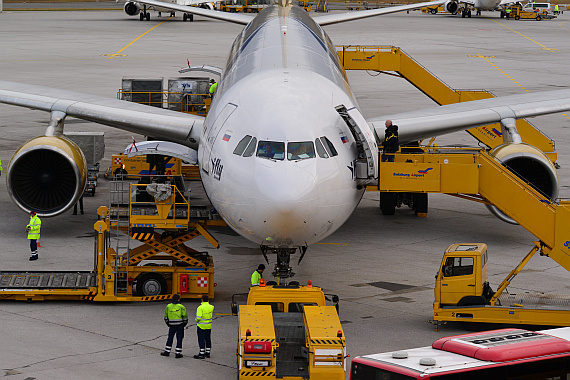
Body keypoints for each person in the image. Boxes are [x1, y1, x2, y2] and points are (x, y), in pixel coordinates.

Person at [161, 294, 188, 358]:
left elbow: (165, 316)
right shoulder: (181, 307)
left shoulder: (168, 306)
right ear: (179, 299)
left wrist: (168, 323)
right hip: (180, 325)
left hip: (171, 325)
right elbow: (185, 316)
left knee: (170, 337)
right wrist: (184, 323)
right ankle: (178, 353)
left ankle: (167, 352)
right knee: (179, 338)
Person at [194, 294, 214, 359]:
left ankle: (201, 353)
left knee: (201, 339)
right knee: (208, 339)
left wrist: (196, 320)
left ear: (202, 300)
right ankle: (208, 353)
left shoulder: (200, 308)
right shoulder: (211, 307)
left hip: (201, 326)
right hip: (208, 326)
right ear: (208, 300)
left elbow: (198, 318)